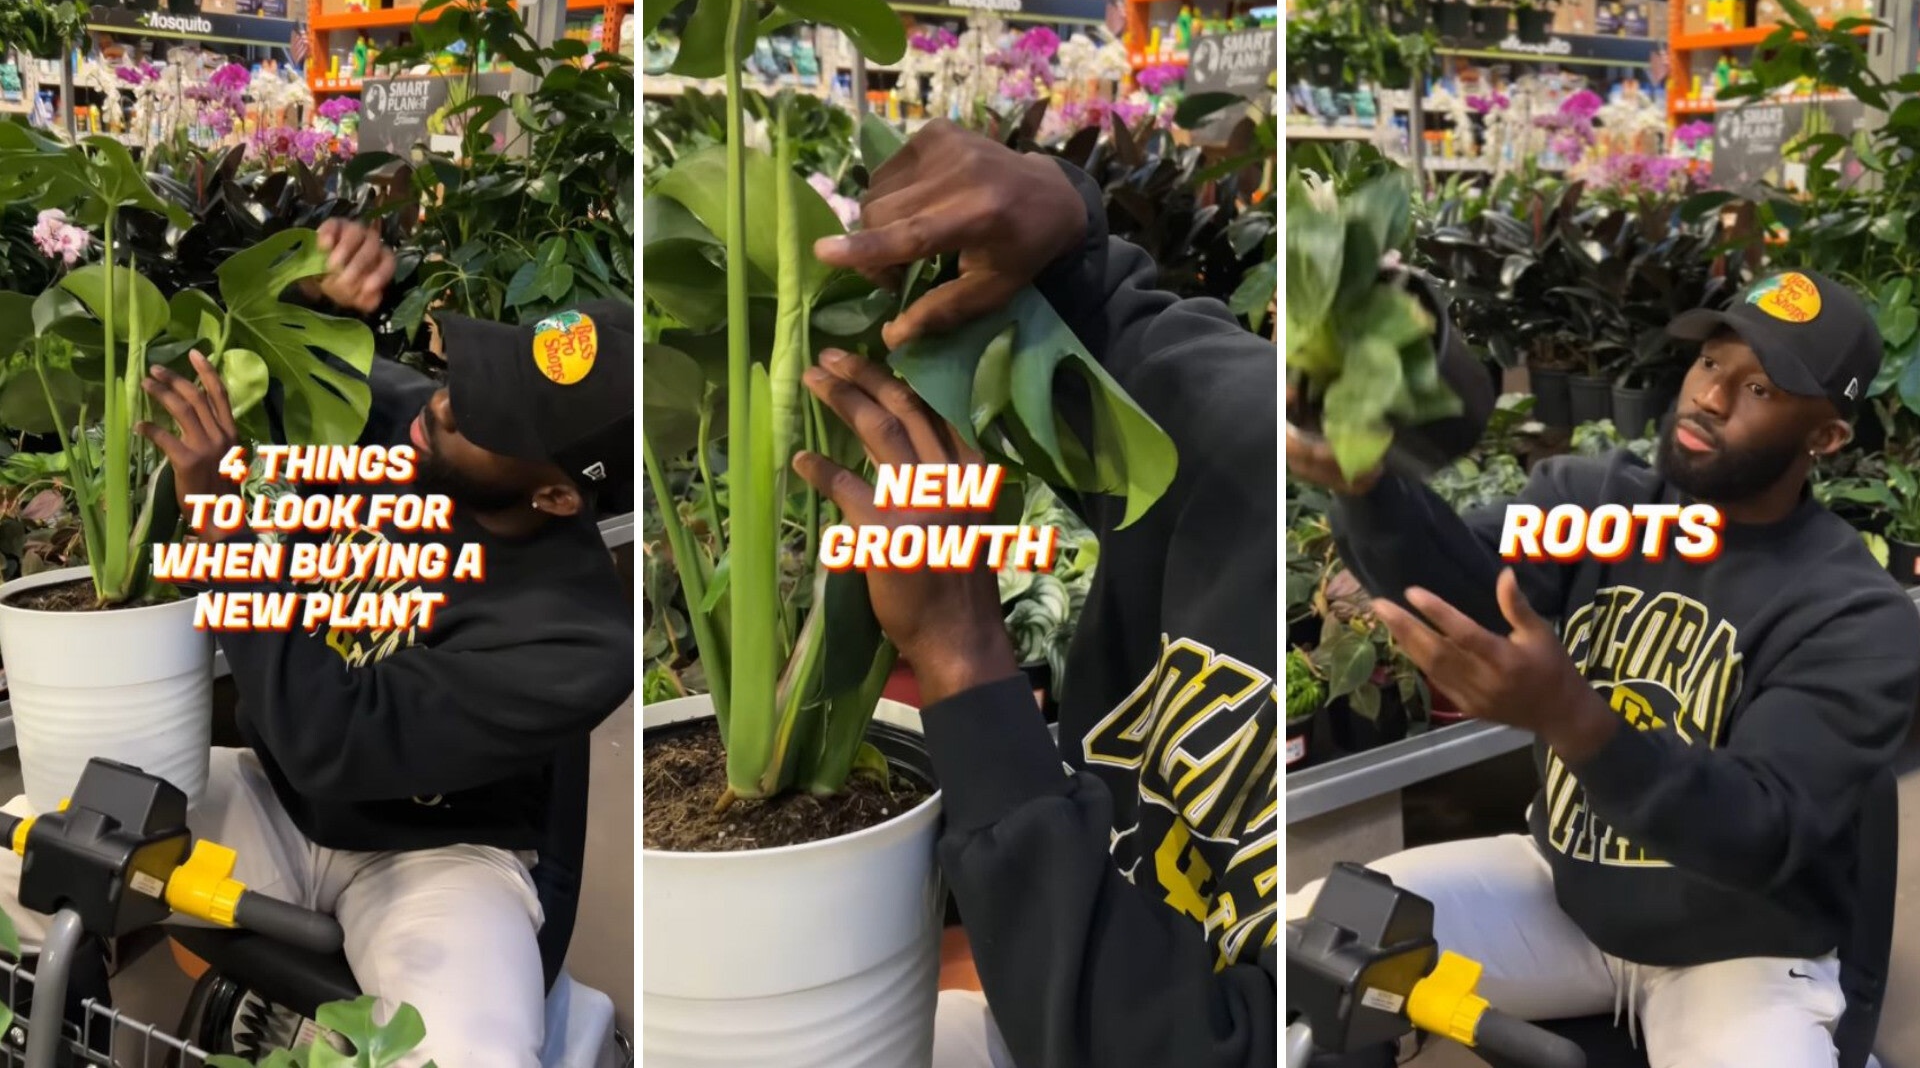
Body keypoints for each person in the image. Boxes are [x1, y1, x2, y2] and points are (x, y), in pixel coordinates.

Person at [0, 221, 635, 1068]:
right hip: (278, 804)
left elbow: (332, 741)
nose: (441, 404)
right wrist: (304, 291)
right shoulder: (401, 420)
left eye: (482, 416)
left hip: (441, 857)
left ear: (557, 497)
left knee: (470, 1055)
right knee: (23, 851)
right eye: (468, 376)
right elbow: (228, 351)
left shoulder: (577, 641)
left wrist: (228, 529)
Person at [1285, 270, 1920, 1066]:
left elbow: (1757, 829)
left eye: (1758, 386)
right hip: (1562, 891)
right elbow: (1469, 586)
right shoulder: (1603, 507)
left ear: (1825, 438)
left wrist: (1573, 719)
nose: (1711, 398)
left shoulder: (1851, 611)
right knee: (1310, 945)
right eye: (1711, 364)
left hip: (1740, 949)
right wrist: (1371, 492)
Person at [787, 120, 1277, 1068]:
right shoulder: (1261, 450)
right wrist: (1064, 227)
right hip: (1056, 958)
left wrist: (962, 656)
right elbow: (1153, 362)